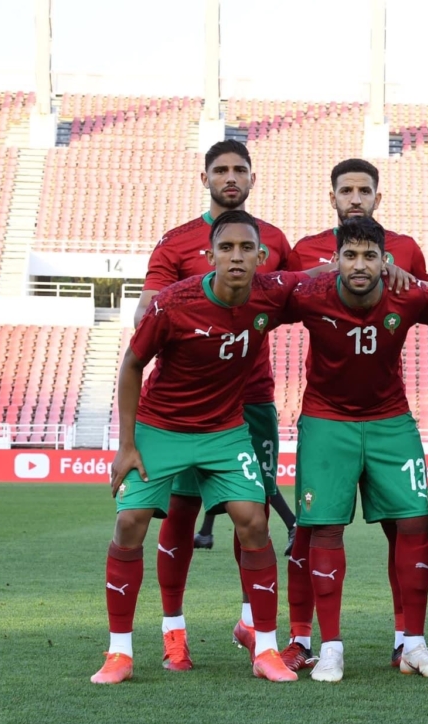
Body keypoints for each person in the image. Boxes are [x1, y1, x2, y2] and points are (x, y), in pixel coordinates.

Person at [92, 210, 301, 684]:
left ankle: (266, 649)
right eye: (226, 248)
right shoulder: (174, 303)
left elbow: (318, 278)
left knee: (254, 520)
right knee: (129, 522)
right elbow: (131, 364)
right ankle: (119, 653)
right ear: (209, 256)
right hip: (161, 426)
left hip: (224, 430)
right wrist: (127, 445)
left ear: (261, 257)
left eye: (246, 248)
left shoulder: (271, 293)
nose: (236, 257)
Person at [280, 216, 428, 682]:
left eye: (370, 256)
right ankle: (330, 649)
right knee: (324, 529)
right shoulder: (309, 294)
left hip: (391, 421)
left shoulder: (408, 293)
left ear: (386, 260)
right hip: (327, 422)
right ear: (335, 259)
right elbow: (257, 302)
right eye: (350, 255)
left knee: (415, 522)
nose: (359, 265)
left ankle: (414, 644)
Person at [136, 140, 293, 667]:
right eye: (220, 170)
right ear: (204, 178)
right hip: (188, 407)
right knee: (180, 512)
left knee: (253, 513)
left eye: (239, 170)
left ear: (252, 178)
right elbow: (147, 309)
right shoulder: (178, 241)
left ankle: (251, 624)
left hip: (253, 398)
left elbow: (299, 293)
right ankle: (173, 631)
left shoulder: (273, 239)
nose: (230, 177)